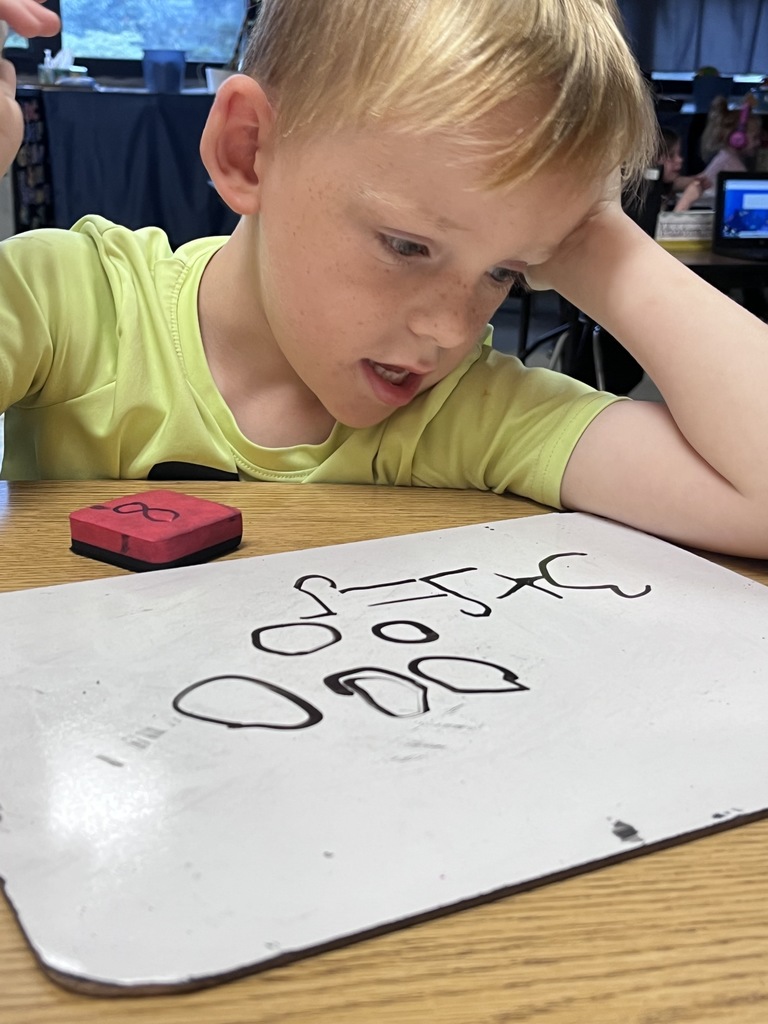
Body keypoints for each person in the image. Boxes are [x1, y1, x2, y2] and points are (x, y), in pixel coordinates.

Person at [1, 0, 768, 560]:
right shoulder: (75, 305)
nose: (453, 330)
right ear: (248, 151)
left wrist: (600, 245)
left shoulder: (459, 409)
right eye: (408, 246)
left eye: (505, 269)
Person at [674, 95, 763, 212]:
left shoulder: (724, 157)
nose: (758, 143)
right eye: (755, 137)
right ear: (738, 138)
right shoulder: (730, 165)